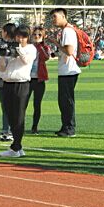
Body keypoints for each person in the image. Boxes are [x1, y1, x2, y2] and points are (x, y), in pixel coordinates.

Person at [0, 27, 36, 158]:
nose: (20, 39)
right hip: (7, 84)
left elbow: (26, 61)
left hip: (21, 84)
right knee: (10, 115)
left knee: (19, 116)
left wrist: (18, 49)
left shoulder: (30, 48)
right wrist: (3, 55)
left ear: (28, 38)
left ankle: (16, 147)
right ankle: (18, 147)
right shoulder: (9, 47)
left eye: (23, 37)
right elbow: (1, 68)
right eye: (18, 36)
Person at [51, 8, 80, 137]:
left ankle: (69, 128)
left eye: (55, 17)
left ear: (63, 16)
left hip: (69, 70)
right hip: (66, 70)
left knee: (67, 101)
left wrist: (56, 43)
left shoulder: (68, 31)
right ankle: (65, 126)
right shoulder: (66, 30)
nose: (53, 19)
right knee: (63, 100)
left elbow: (69, 51)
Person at [0, 23, 16, 142]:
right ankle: (6, 130)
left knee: (8, 107)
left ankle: (8, 131)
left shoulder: (12, 47)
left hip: (8, 79)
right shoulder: (7, 45)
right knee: (7, 107)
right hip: (5, 79)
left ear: (6, 32)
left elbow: (1, 65)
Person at [27, 26, 51, 134]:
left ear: (43, 36)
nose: (36, 36)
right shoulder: (28, 47)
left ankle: (34, 127)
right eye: (35, 34)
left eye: (39, 34)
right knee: (23, 104)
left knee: (37, 105)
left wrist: (39, 46)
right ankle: (18, 125)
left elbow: (46, 57)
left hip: (39, 80)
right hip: (28, 79)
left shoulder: (44, 47)